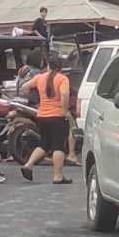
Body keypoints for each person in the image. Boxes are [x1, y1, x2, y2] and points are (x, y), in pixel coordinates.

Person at [18, 53, 74, 183]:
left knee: (44, 143)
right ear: (61, 67)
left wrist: (34, 96)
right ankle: (58, 176)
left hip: (42, 115)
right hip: (57, 116)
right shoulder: (62, 79)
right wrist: (64, 110)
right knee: (58, 146)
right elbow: (65, 94)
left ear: (48, 65)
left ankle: (28, 165)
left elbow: (24, 87)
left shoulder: (39, 77)